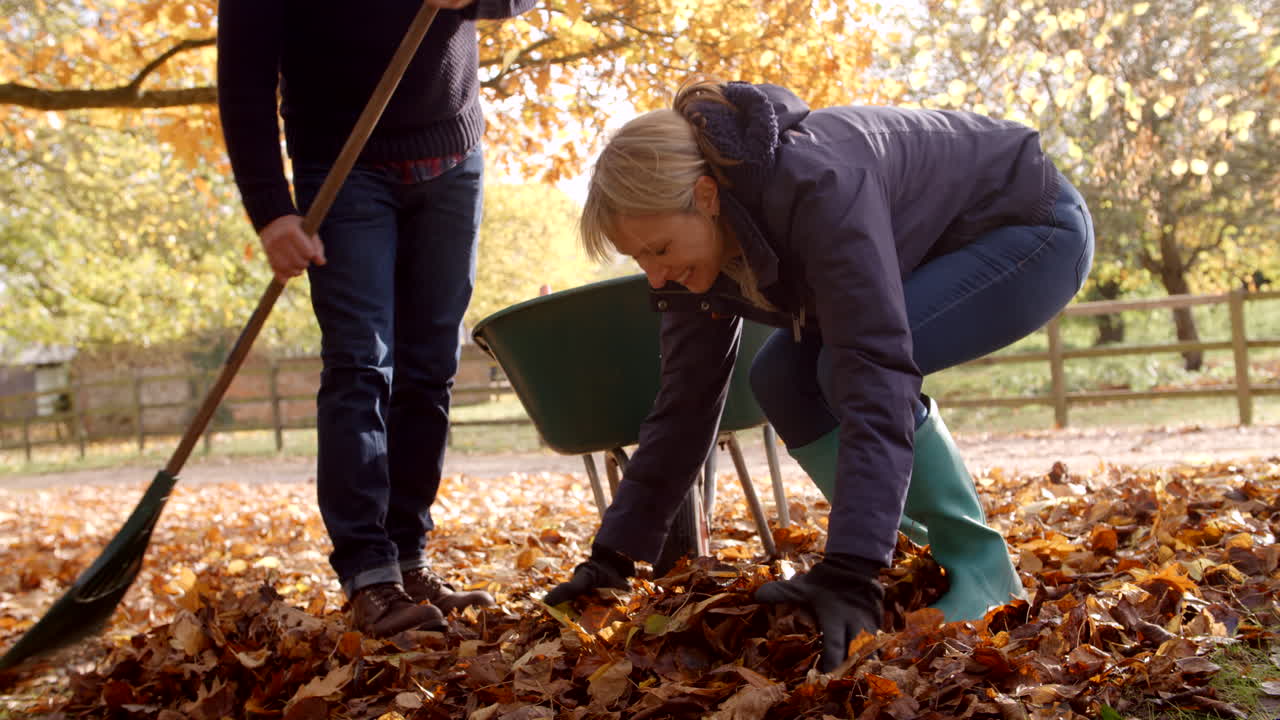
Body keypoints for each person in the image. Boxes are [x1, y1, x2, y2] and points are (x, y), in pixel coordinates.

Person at [544, 80, 1095, 671]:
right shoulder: (696, 258)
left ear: (706, 196)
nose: (655, 276)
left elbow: (875, 369)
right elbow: (686, 402)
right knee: (780, 376)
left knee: (844, 369)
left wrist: (850, 565)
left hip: (1031, 229)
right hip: (935, 251)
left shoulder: (820, 187)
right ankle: (918, 559)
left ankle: (979, 570)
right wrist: (613, 557)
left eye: (659, 249)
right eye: (639, 259)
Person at [216, 0, 535, 637]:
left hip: (451, 155)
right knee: (361, 364)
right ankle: (369, 575)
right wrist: (271, 211)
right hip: (342, 168)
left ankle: (408, 560)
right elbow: (243, 78)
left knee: (429, 370)